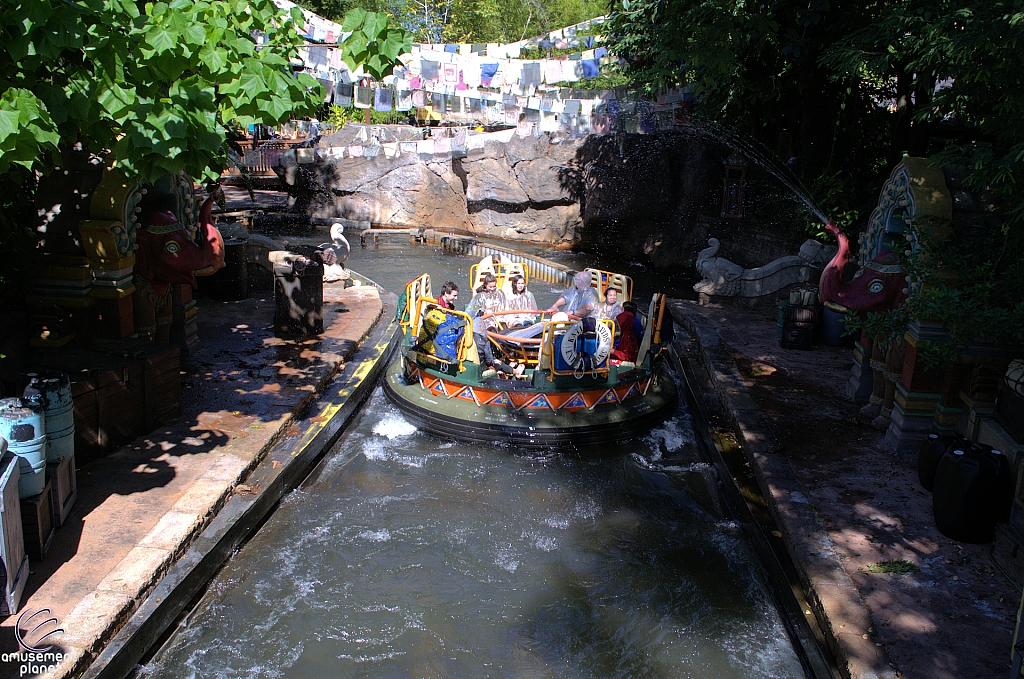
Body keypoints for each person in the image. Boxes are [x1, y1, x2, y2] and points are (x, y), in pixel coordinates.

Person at [465, 274, 522, 378]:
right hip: (487, 321)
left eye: (494, 287)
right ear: (485, 286)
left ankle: (511, 356)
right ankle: (497, 359)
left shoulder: (500, 293)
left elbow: (506, 307)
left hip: (499, 319)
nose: (492, 289)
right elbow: (471, 312)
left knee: (510, 329)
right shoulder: (480, 296)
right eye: (490, 287)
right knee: (492, 331)